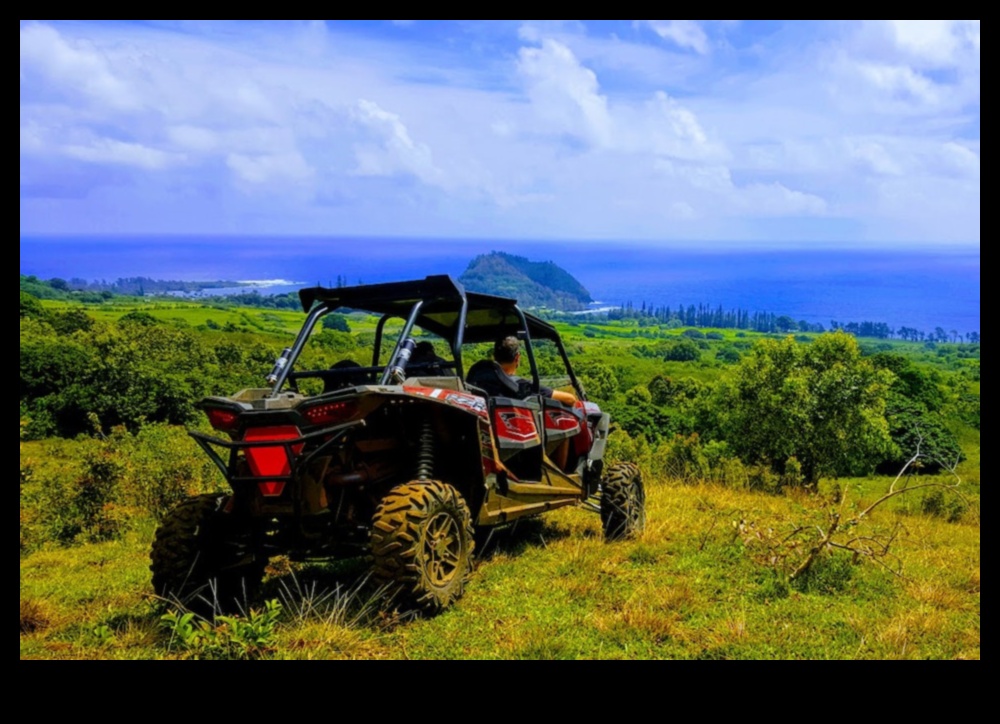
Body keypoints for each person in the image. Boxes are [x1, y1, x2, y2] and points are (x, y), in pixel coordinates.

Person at [467, 335, 577, 405]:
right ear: (517, 357)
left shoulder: (477, 380)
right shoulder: (522, 386)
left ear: (494, 356)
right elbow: (570, 399)